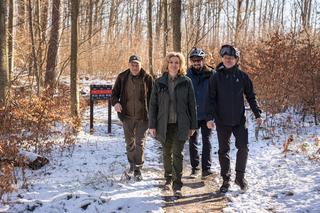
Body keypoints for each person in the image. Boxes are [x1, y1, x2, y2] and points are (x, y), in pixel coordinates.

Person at [205, 44, 263, 193]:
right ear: (222, 59)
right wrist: (209, 118)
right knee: (223, 150)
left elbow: (251, 96)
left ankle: (240, 178)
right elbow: (210, 99)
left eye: (231, 58)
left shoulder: (243, 77)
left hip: (239, 120)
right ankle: (225, 180)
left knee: (243, 148)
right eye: (225, 58)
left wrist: (258, 114)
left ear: (236, 60)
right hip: (221, 120)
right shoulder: (216, 77)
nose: (228, 60)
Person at [148, 52, 197, 198]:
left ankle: (177, 184)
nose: (174, 65)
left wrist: (193, 125)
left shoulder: (186, 82)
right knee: (166, 153)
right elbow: (153, 105)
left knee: (177, 154)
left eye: (177, 62)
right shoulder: (159, 82)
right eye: (171, 62)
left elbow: (192, 105)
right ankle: (168, 179)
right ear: (167, 64)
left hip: (181, 124)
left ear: (180, 65)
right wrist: (152, 125)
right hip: (164, 124)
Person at [111, 54, 153, 181]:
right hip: (127, 117)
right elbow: (114, 94)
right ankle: (131, 164)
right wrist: (116, 103)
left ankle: (138, 169)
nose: (135, 67)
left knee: (139, 143)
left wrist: (153, 114)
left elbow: (154, 97)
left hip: (143, 117)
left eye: (137, 64)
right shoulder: (122, 77)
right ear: (129, 65)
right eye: (132, 65)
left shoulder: (147, 78)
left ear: (141, 65)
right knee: (130, 143)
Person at [186, 48, 214, 178]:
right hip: (192, 114)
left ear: (203, 60)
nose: (197, 63)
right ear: (191, 61)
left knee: (206, 140)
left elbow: (216, 94)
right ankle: (195, 168)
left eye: (199, 60)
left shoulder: (211, 74)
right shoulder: (187, 75)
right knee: (193, 141)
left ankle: (206, 169)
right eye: (194, 60)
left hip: (207, 113)